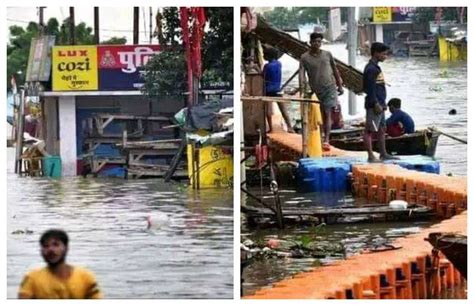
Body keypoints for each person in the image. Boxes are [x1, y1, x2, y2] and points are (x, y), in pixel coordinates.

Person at [18, 229, 102, 299]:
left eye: (56, 245)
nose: (51, 249)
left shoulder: (85, 277)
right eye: (46, 246)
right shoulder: (32, 279)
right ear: (41, 251)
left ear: (66, 248)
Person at [299, 32, 344, 150]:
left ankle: (326, 139)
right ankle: (319, 136)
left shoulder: (327, 54)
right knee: (318, 114)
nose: (317, 44)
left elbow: (335, 70)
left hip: (330, 86)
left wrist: (339, 85)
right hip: (315, 89)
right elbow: (302, 74)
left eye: (319, 42)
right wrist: (303, 88)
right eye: (315, 42)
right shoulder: (304, 57)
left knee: (328, 112)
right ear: (310, 42)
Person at [363, 42, 398, 162]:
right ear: (376, 53)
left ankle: (383, 153)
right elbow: (369, 89)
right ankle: (370, 156)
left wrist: (383, 104)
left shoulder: (376, 67)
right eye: (383, 54)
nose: (385, 56)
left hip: (381, 104)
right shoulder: (371, 69)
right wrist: (375, 103)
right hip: (374, 105)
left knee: (382, 129)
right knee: (369, 130)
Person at [263, 47, 294, 133]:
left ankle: (270, 128)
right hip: (277, 89)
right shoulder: (279, 64)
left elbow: (263, 76)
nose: (263, 56)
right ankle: (290, 127)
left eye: (264, 54)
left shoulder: (267, 66)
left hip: (268, 90)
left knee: (268, 111)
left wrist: (255, 67)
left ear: (268, 56)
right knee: (283, 110)